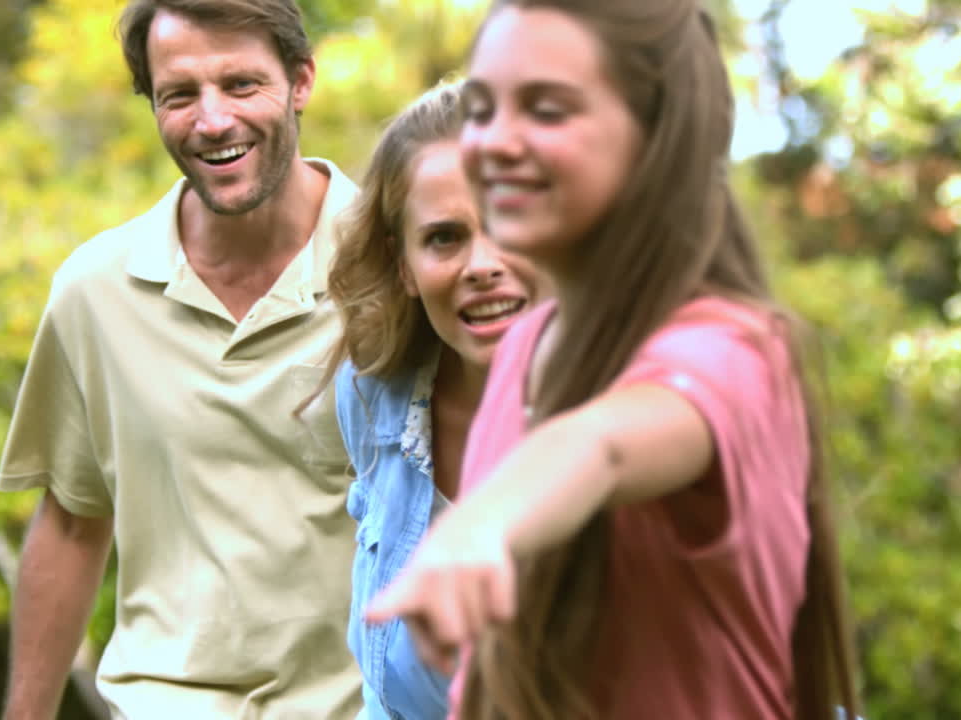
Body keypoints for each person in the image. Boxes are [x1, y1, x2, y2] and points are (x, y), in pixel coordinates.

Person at [365, 1, 861, 719]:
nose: (494, 142)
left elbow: (602, 445)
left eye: (547, 109)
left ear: (657, 136)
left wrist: (479, 525)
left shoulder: (737, 351)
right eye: (482, 107)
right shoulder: (525, 350)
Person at [0, 1, 363, 717]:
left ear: (301, 82)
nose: (212, 119)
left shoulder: (400, 262)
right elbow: (72, 523)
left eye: (241, 84)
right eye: (179, 95)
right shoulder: (94, 291)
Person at [315, 82, 540, 719]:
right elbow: (388, 697)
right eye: (445, 238)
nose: (483, 264)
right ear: (404, 265)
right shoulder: (374, 398)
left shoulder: (648, 416)